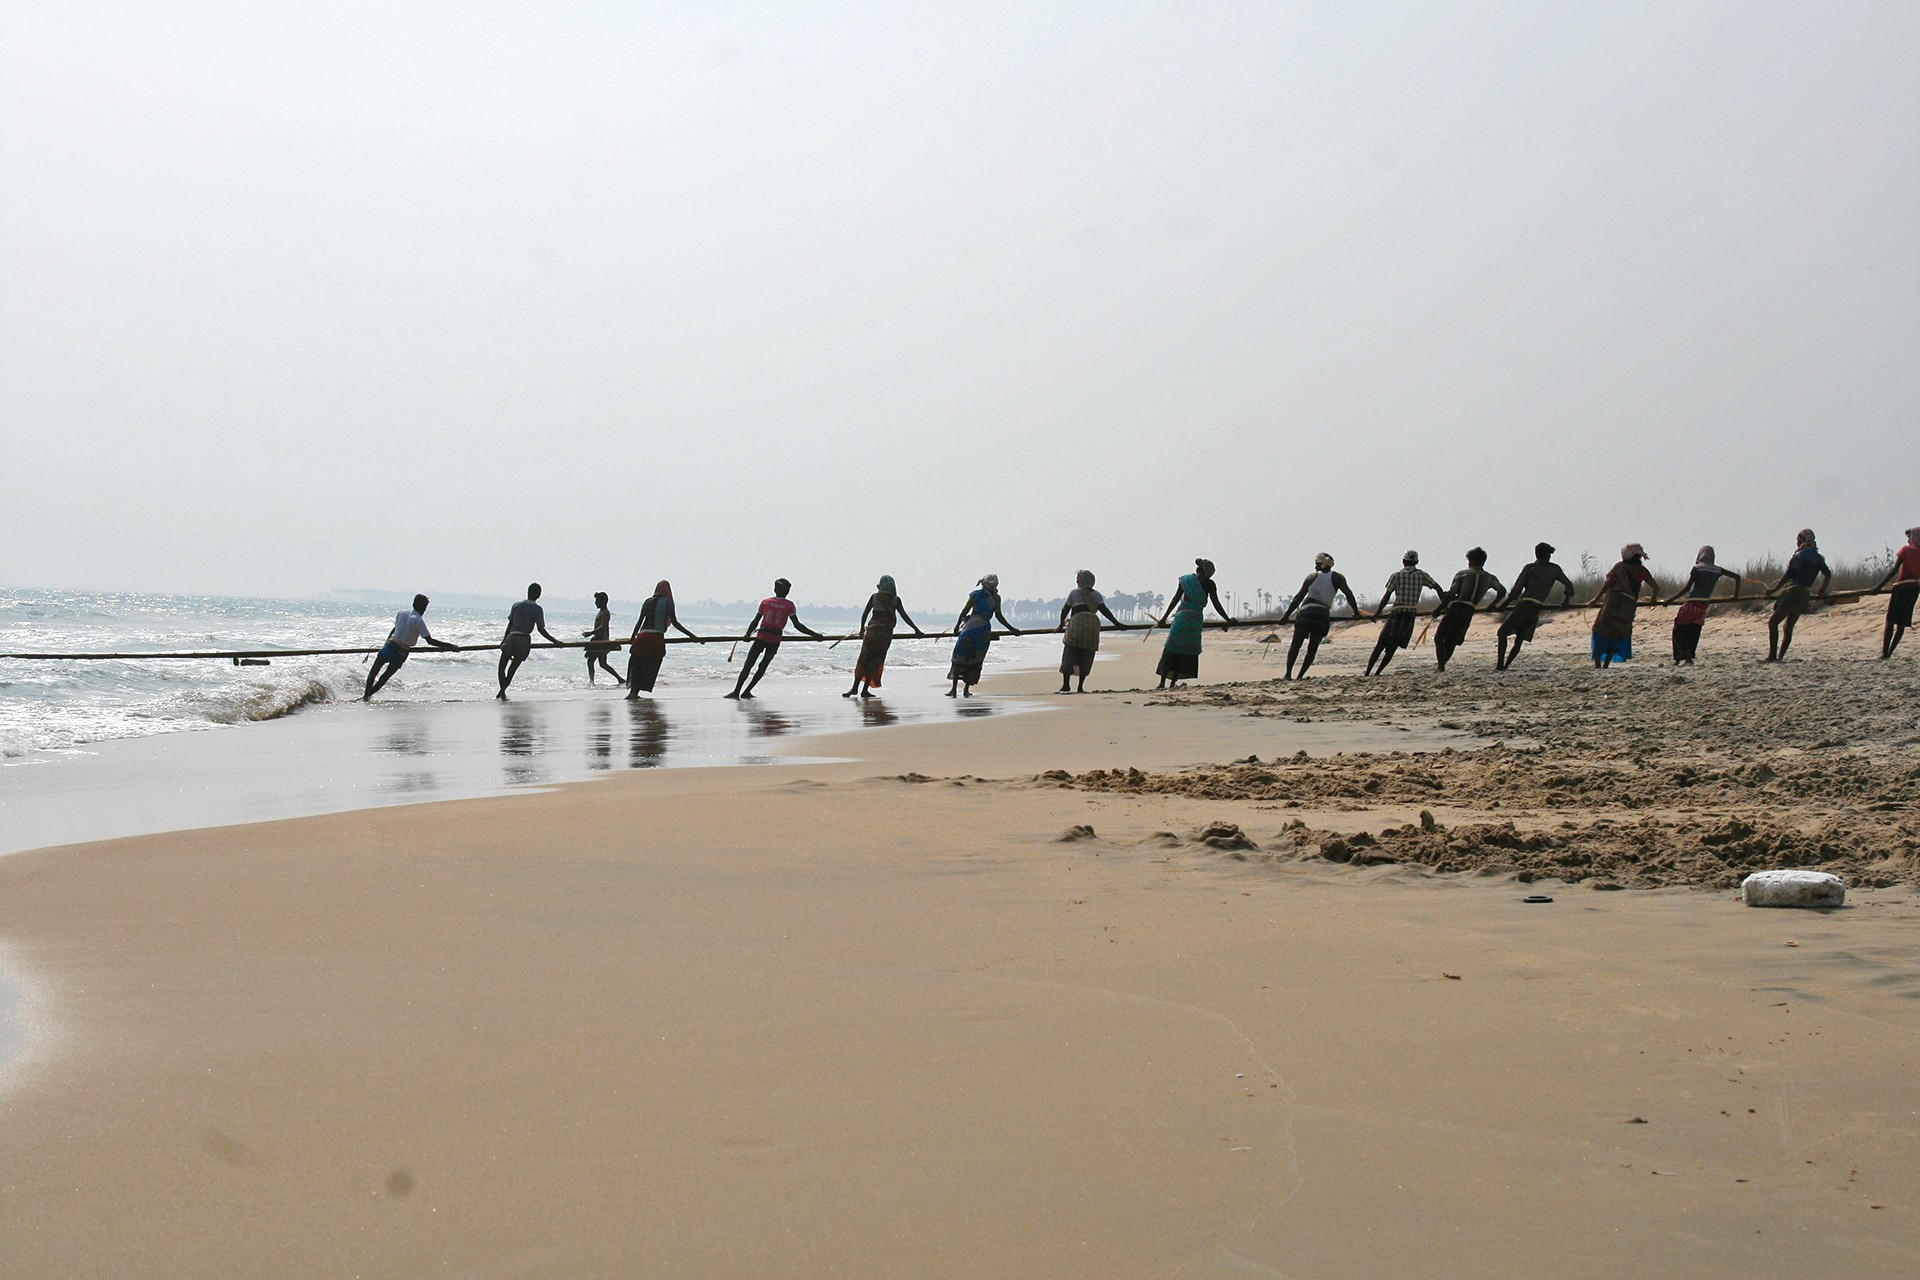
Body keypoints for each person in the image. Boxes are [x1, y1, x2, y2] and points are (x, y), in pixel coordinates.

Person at [726, 578, 823, 699]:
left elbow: (756, 620)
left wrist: (747, 634)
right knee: (763, 666)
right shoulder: (789, 605)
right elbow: (797, 625)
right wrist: (815, 635)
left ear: (774, 589)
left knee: (748, 664)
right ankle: (747, 691)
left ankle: (736, 691)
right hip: (774, 640)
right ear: (787, 591)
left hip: (761, 637)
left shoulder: (766, 602)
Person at [1494, 543, 1577, 670]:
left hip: (1524, 604)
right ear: (1548, 555)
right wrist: (1565, 600)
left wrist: (1503, 605)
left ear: (1536, 554)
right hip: (1536, 608)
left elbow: (1516, 590)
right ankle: (1506, 665)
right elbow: (1569, 585)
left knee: (1502, 633)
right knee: (1519, 639)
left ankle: (1500, 665)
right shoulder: (1554, 569)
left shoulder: (1529, 568)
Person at [1276, 553, 1358, 679]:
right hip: (1322, 615)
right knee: (1312, 649)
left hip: (1306, 613)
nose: (1315, 567)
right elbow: (1349, 594)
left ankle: (1288, 674)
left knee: (1295, 645)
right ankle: (1300, 676)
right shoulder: (1338, 578)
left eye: (1317, 564)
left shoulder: (1311, 577)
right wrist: (1356, 612)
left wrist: (1285, 617)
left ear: (1322, 564)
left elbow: (1298, 598)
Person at [1153, 559, 1232, 689]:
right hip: (1195, 621)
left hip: (1181, 620)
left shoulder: (1186, 581)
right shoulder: (1209, 584)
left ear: (1198, 570)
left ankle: (1162, 683)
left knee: (1171, 649)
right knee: (1184, 652)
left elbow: (1175, 599)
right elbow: (1216, 604)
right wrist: (1227, 619)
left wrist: (1164, 618)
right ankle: (1173, 683)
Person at [362, 593, 457, 701]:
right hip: (401, 652)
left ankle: (366, 695)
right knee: (384, 677)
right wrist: (450, 646)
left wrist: (386, 641)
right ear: (424, 608)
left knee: (373, 672)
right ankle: (367, 696)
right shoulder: (418, 620)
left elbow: (395, 629)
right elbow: (429, 641)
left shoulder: (401, 613)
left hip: (389, 646)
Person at [1365, 551, 1443, 676]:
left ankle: (1367, 672)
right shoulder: (1422, 575)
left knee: (1380, 644)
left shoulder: (1396, 575)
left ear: (1403, 561)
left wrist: (1377, 613)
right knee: (1392, 647)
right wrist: (1443, 605)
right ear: (1416, 562)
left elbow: (1386, 596)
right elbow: (1437, 588)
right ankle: (1378, 672)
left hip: (1397, 613)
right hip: (1410, 615)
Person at [844, 575, 921, 699]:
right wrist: (916, 629)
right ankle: (864, 690)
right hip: (884, 636)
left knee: (864, 659)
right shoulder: (896, 600)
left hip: (872, 633)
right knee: (875, 661)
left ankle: (854, 688)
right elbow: (904, 616)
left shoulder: (875, 597)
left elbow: (865, 614)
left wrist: (861, 630)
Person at [1661, 547, 1740, 664]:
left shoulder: (1697, 568)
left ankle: (1683, 657)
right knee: (1694, 630)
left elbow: (1687, 588)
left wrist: (1669, 600)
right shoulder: (1717, 570)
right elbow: (1737, 577)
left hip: (1692, 602)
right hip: (1703, 605)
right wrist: (1735, 595)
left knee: (1678, 629)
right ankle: (1684, 658)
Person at [1432, 548, 1505, 673]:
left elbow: (1451, 594)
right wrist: (1492, 604)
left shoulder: (1462, 574)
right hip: (1469, 610)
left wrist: (1438, 609)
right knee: (1453, 640)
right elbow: (1502, 591)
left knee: (1439, 637)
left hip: (1456, 608)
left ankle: (1440, 666)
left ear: (1471, 561)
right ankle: (1442, 664)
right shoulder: (1489, 577)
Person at [1765, 528, 1831, 662]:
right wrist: (1822, 590)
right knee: (1788, 627)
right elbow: (1827, 574)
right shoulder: (1818, 557)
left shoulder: (1799, 556)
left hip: (1794, 592)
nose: (1796, 542)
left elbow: (1788, 575)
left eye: (1798, 539)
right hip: (1805, 593)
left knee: (1773, 623)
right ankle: (1780, 657)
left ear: (1802, 539)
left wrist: (1773, 589)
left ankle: (1772, 656)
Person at [948, 575, 1020, 697]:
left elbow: (965, 611)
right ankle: (966, 689)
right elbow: (999, 616)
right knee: (975, 659)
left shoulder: (975, 595)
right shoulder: (996, 598)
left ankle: (954, 689)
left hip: (970, 628)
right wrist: (1012, 629)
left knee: (959, 657)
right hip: (983, 630)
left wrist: (956, 626)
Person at [625, 580, 699, 698]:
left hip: (641, 637)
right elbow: (675, 623)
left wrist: (632, 638)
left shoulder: (647, 601)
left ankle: (633, 692)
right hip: (655, 639)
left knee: (637, 665)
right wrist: (692, 636)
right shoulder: (668, 603)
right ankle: (636, 692)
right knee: (650, 665)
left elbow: (639, 622)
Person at [1056, 570, 1124, 693]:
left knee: (1070, 652)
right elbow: (1105, 611)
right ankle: (1080, 687)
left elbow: (1065, 610)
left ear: (1081, 580)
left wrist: (1061, 625)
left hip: (1076, 625)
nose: (1076, 581)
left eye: (1078, 578)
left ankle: (1066, 685)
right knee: (1087, 654)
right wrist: (1117, 624)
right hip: (1092, 626)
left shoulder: (1074, 593)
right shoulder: (1097, 595)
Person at [1588, 545, 1656, 668]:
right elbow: (1655, 587)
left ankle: (1597, 663)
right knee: (1619, 633)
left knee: (1600, 630)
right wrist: (1653, 599)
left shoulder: (1619, 567)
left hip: (1614, 603)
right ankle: (1606, 664)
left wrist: (1595, 599)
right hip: (1629, 606)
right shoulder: (1641, 570)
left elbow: (1607, 584)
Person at [498, 583, 564, 699]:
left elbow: (510, 624)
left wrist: (504, 640)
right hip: (524, 640)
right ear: (539, 595)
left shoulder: (517, 605)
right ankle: (501, 693)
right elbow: (541, 629)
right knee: (512, 670)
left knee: (501, 667)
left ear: (527, 592)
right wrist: (555, 641)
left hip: (512, 637)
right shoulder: (537, 609)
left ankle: (502, 692)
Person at [1872, 526, 1920, 659]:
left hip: (1902, 586)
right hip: (1915, 588)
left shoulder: (1906, 550)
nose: (1908, 540)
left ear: (1913, 537)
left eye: (1909, 537)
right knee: (1902, 624)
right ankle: (1890, 653)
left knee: (1890, 621)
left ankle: (1884, 653)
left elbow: (1894, 570)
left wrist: (1879, 587)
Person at [582, 591, 624, 685]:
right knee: (601, 663)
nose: (595, 603)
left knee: (593, 661)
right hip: (597, 639)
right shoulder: (600, 612)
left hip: (601, 640)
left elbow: (602, 627)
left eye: (597, 601)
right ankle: (619, 679)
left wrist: (590, 633)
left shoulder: (605, 612)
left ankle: (592, 681)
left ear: (603, 601)